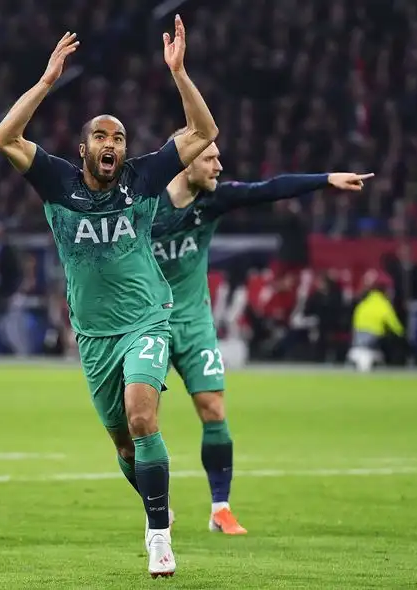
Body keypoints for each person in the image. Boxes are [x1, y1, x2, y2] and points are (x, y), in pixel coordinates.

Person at [0, 18, 218, 578]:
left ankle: (160, 540)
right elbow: (4, 138)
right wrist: (47, 82)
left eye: (118, 137)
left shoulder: (142, 179)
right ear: (85, 147)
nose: (111, 144)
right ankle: (154, 514)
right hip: (93, 337)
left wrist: (180, 73)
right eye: (101, 136)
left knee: (144, 419)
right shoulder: (56, 181)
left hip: (147, 319)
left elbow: (203, 131)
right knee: (123, 445)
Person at [151, 132, 372, 534]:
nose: (219, 166)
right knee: (142, 422)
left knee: (214, 409)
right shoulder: (146, 206)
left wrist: (325, 179)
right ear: (185, 162)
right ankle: (156, 507)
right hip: (149, 323)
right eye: (210, 159)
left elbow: (270, 190)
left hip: (195, 323)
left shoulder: (214, 198)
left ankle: (220, 508)